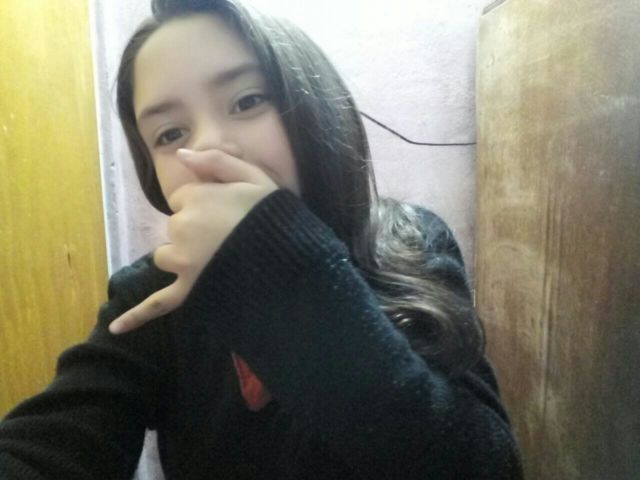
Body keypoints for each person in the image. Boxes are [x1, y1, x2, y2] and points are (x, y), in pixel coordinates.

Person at [0, 0, 524, 478]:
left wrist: (282, 265)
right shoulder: (152, 297)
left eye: (247, 100)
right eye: (170, 134)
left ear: (312, 107)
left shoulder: (409, 240)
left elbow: (486, 466)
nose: (209, 146)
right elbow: (51, 445)